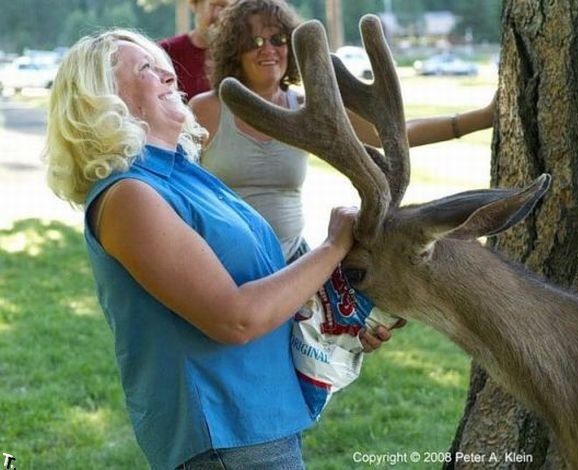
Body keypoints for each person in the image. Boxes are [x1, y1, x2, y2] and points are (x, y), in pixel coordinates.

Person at [43, 29, 392, 470]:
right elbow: (235, 318)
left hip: (261, 422)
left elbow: (260, 285)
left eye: (163, 66)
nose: (169, 75)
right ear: (100, 99)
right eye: (147, 69)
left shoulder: (186, 174)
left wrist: (338, 320)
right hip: (225, 438)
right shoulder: (130, 196)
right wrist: (334, 244)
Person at [190, 0, 496, 262]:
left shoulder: (309, 108)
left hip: (293, 263)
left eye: (278, 39)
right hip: (221, 264)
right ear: (234, 51)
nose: (268, 50)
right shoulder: (206, 110)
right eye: (254, 42)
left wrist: (480, 119)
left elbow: (388, 135)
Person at [159, 0, 232, 100]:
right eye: (214, 5)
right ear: (195, 5)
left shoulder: (247, 56)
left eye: (226, 7)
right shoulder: (167, 52)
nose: (218, 15)